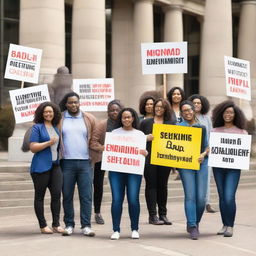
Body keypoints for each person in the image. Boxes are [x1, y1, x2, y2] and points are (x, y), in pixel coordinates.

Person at [58, 92, 98, 236]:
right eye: (70, 102)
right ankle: (69, 224)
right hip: (66, 163)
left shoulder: (88, 118)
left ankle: (86, 226)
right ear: (66, 104)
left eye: (76, 102)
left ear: (79, 102)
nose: (73, 105)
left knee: (86, 195)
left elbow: (95, 138)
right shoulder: (60, 118)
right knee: (67, 194)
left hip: (85, 163)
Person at [108, 108, 147, 240]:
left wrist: (144, 153)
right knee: (117, 200)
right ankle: (116, 229)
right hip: (116, 171)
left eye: (129, 117)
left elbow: (144, 152)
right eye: (124, 117)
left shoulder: (140, 134)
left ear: (133, 118)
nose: (126, 120)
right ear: (121, 119)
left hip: (133, 171)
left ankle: (135, 229)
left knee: (133, 199)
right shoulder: (114, 133)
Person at [211, 100, 247, 237]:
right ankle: (224, 224)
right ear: (221, 114)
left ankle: (230, 226)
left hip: (233, 169)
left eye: (231, 112)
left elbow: (243, 151)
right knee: (221, 197)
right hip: (218, 168)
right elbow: (211, 149)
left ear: (235, 115)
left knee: (229, 197)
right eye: (226, 112)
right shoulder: (214, 131)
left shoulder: (242, 132)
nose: (228, 114)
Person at [140, 98, 176, 225]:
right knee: (151, 185)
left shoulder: (171, 123)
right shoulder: (146, 123)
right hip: (149, 158)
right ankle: (152, 215)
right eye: (157, 106)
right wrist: (146, 138)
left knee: (163, 186)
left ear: (166, 109)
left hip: (165, 158)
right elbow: (137, 139)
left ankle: (163, 214)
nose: (158, 108)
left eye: (161, 107)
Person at [29, 102, 64, 234]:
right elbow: (33, 147)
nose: (48, 114)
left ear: (54, 113)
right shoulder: (37, 128)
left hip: (55, 166)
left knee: (56, 195)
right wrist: (48, 143)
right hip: (40, 167)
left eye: (50, 111)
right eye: (45, 112)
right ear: (41, 114)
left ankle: (56, 224)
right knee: (40, 196)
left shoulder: (56, 127)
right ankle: (43, 225)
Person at [178, 100, 209, 240]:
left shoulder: (202, 127)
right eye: (184, 111)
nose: (188, 112)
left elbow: (208, 146)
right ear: (181, 113)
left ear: (194, 110)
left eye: (189, 109)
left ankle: (195, 221)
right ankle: (192, 225)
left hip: (201, 162)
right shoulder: (178, 127)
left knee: (201, 198)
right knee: (190, 195)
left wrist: (203, 155)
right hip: (186, 164)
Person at [90, 99, 123, 224]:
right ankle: (97, 212)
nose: (114, 112)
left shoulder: (125, 123)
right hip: (102, 159)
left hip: (120, 160)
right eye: (111, 110)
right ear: (108, 112)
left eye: (116, 110)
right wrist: (104, 148)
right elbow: (93, 142)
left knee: (119, 185)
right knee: (98, 185)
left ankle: (117, 211)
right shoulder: (102, 124)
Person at [188, 94, 216, 213]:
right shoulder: (187, 117)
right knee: (192, 180)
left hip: (206, 153)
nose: (196, 105)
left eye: (199, 103)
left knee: (206, 179)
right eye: (194, 103)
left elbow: (211, 134)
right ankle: (194, 202)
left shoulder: (206, 118)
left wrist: (209, 150)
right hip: (191, 153)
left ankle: (207, 202)